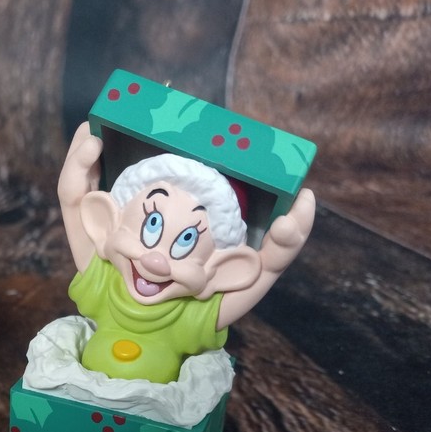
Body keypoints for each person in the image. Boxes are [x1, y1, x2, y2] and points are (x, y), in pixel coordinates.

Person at [58, 122, 316, 384]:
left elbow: (259, 275)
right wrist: (71, 195)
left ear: (221, 270)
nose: (155, 262)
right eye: (151, 226)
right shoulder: (104, 283)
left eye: (186, 241)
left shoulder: (188, 317)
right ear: (105, 223)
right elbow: (76, 212)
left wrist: (275, 261)